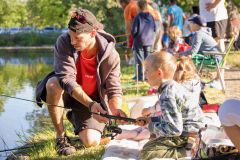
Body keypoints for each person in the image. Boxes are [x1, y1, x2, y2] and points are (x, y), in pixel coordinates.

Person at [35, 8, 127, 156]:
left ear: (93, 33)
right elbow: (66, 79)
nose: (73, 41)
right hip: (69, 92)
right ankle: (61, 137)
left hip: (93, 99)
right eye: (71, 36)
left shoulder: (111, 56)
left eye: (78, 38)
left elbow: (114, 89)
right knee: (52, 84)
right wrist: (90, 105)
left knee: (91, 141)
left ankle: (76, 118)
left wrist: (114, 112)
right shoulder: (64, 42)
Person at [136, 51, 204, 159]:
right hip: (191, 130)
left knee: (147, 152)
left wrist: (150, 126)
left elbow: (174, 129)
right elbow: (171, 116)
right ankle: (190, 146)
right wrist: (150, 120)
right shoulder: (172, 86)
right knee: (153, 141)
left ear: (159, 73)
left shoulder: (167, 94)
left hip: (188, 134)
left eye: (147, 70)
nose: (145, 74)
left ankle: (190, 151)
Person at [180, 15, 224, 90]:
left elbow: (193, 51)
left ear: (195, 24)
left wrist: (179, 54)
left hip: (213, 59)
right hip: (216, 58)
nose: (189, 25)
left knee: (187, 60)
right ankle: (193, 82)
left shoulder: (199, 34)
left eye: (191, 23)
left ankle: (190, 83)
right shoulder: (204, 33)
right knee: (189, 58)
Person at [131, 0, 156, 81]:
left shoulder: (137, 17)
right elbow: (154, 28)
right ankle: (147, 77)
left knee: (139, 60)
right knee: (148, 60)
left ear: (139, 7)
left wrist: (134, 36)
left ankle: (140, 77)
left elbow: (134, 30)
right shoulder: (151, 16)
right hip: (149, 41)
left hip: (139, 41)